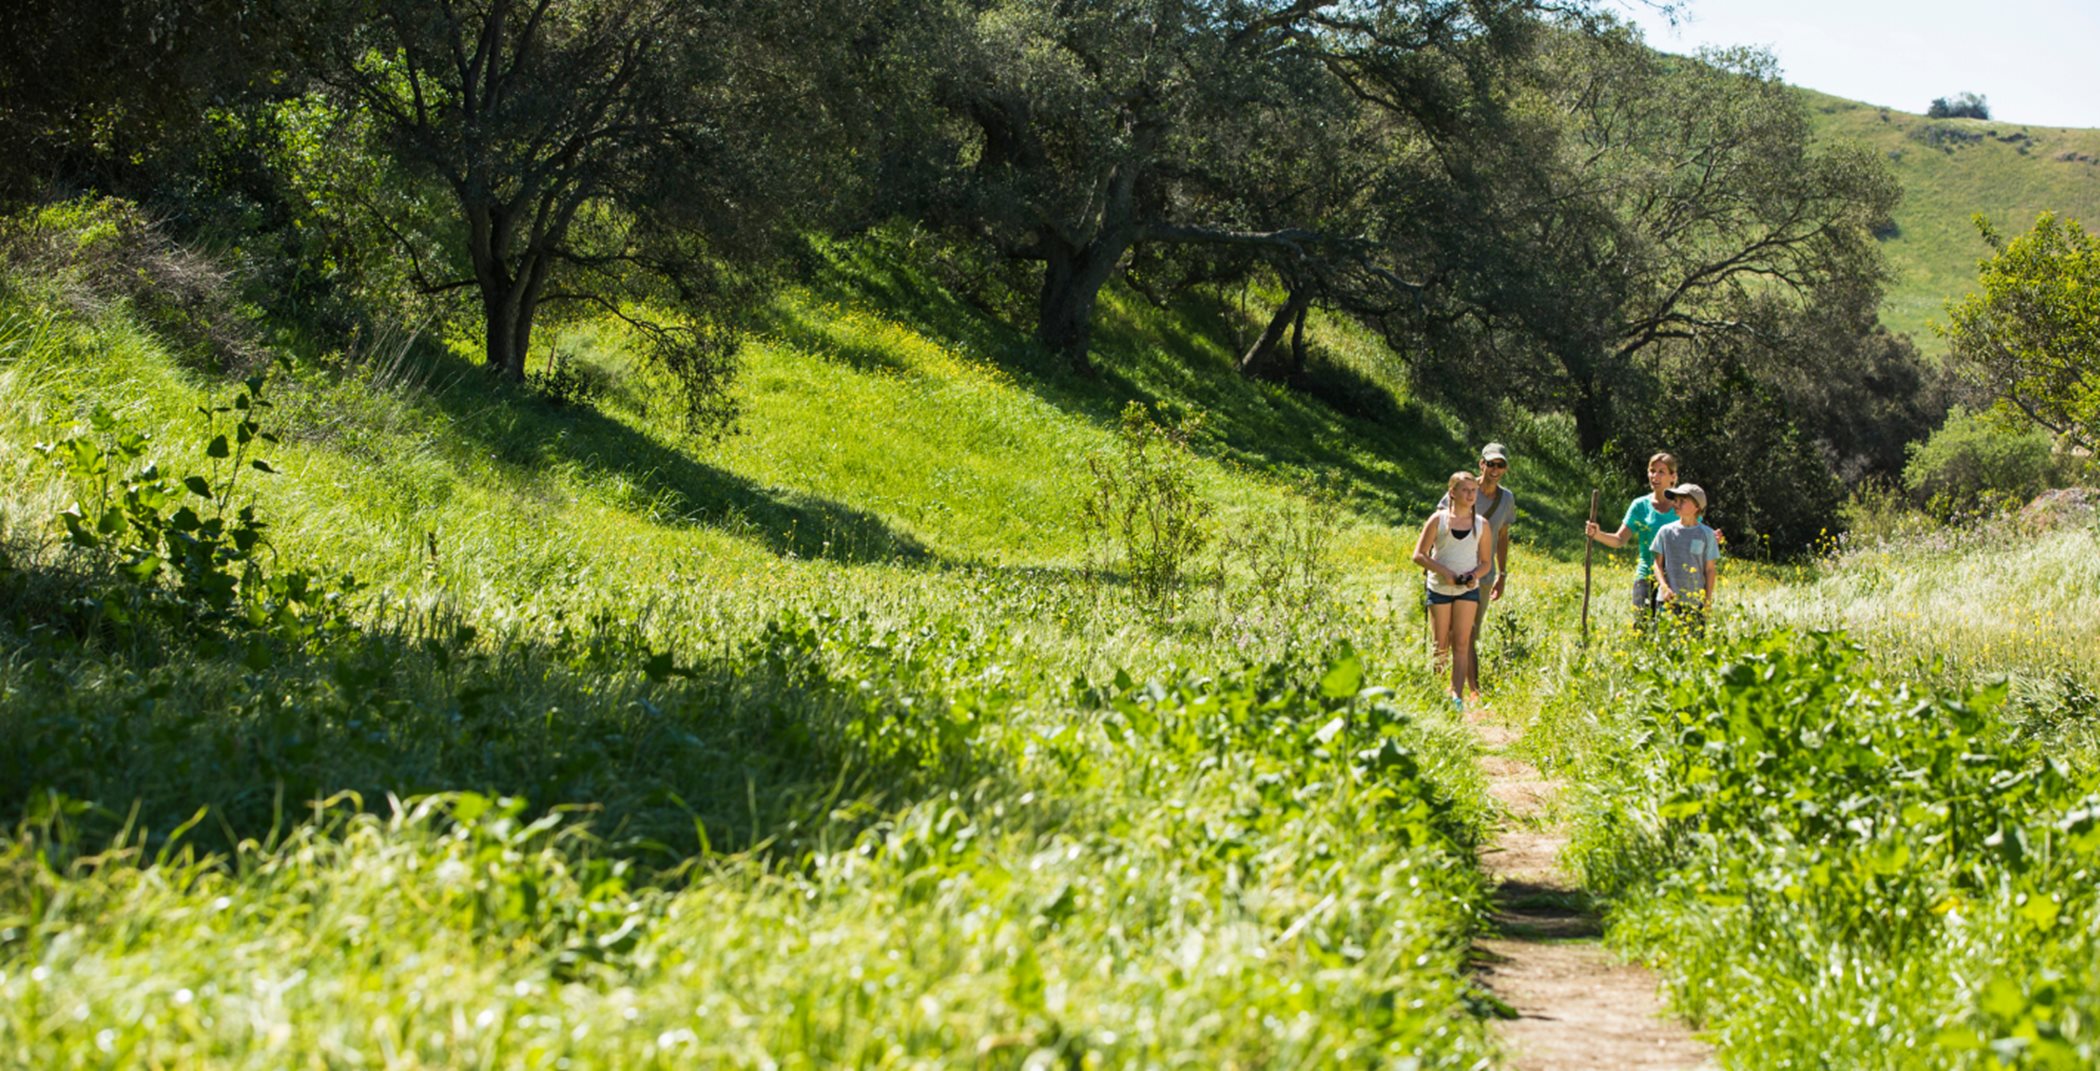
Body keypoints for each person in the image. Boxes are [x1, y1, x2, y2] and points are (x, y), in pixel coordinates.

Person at [1436, 442, 1516, 693]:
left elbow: (1502, 536)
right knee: (1447, 632)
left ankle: (1468, 689)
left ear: (1505, 468)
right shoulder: (1466, 488)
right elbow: (1440, 521)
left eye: (1500, 465)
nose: (1494, 469)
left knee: (1471, 632)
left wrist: (1502, 574)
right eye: (1490, 463)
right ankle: (1446, 685)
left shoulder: (1507, 499)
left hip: (1482, 574)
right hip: (1452, 570)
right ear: (1481, 464)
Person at [1413, 471, 1495, 709]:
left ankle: (1456, 696)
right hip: (1439, 588)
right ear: (1453, 493)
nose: (1470, 495)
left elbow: (1486, 562)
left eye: (1473, 491)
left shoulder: (1482, 525)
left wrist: (1473, 577)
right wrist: (1444, 572)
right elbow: (1418, 555)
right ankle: (1436, 693)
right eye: (1465, 490)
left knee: (1461, 642)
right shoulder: (1438, 520)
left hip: (1467, 590)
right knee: (1440, 644)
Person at [1584, 451, 1681, 623]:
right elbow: (1619, 539)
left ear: (1673, 477)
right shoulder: (1640, 506)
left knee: (1670, 631)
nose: (1655, 476)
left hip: (1676, 577)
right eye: (1652, 471)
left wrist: (1712, 538)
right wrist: (1597, 534)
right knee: (1641, 626)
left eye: (1661, 472)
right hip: (1646, 575)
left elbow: (1697, 533)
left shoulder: (1683, 506)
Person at [1651, 482, 1720, 630]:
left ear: (1697, 507)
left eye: (1682, 501)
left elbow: (1710, 570)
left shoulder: (1707, 534)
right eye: (1675, 500)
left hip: (1695, 603)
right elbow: (1657, 564)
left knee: (1693, 648)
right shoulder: (1665, 532)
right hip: (1667, 600)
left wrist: (1707, 601)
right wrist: (1664, 587)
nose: (1676, 504)